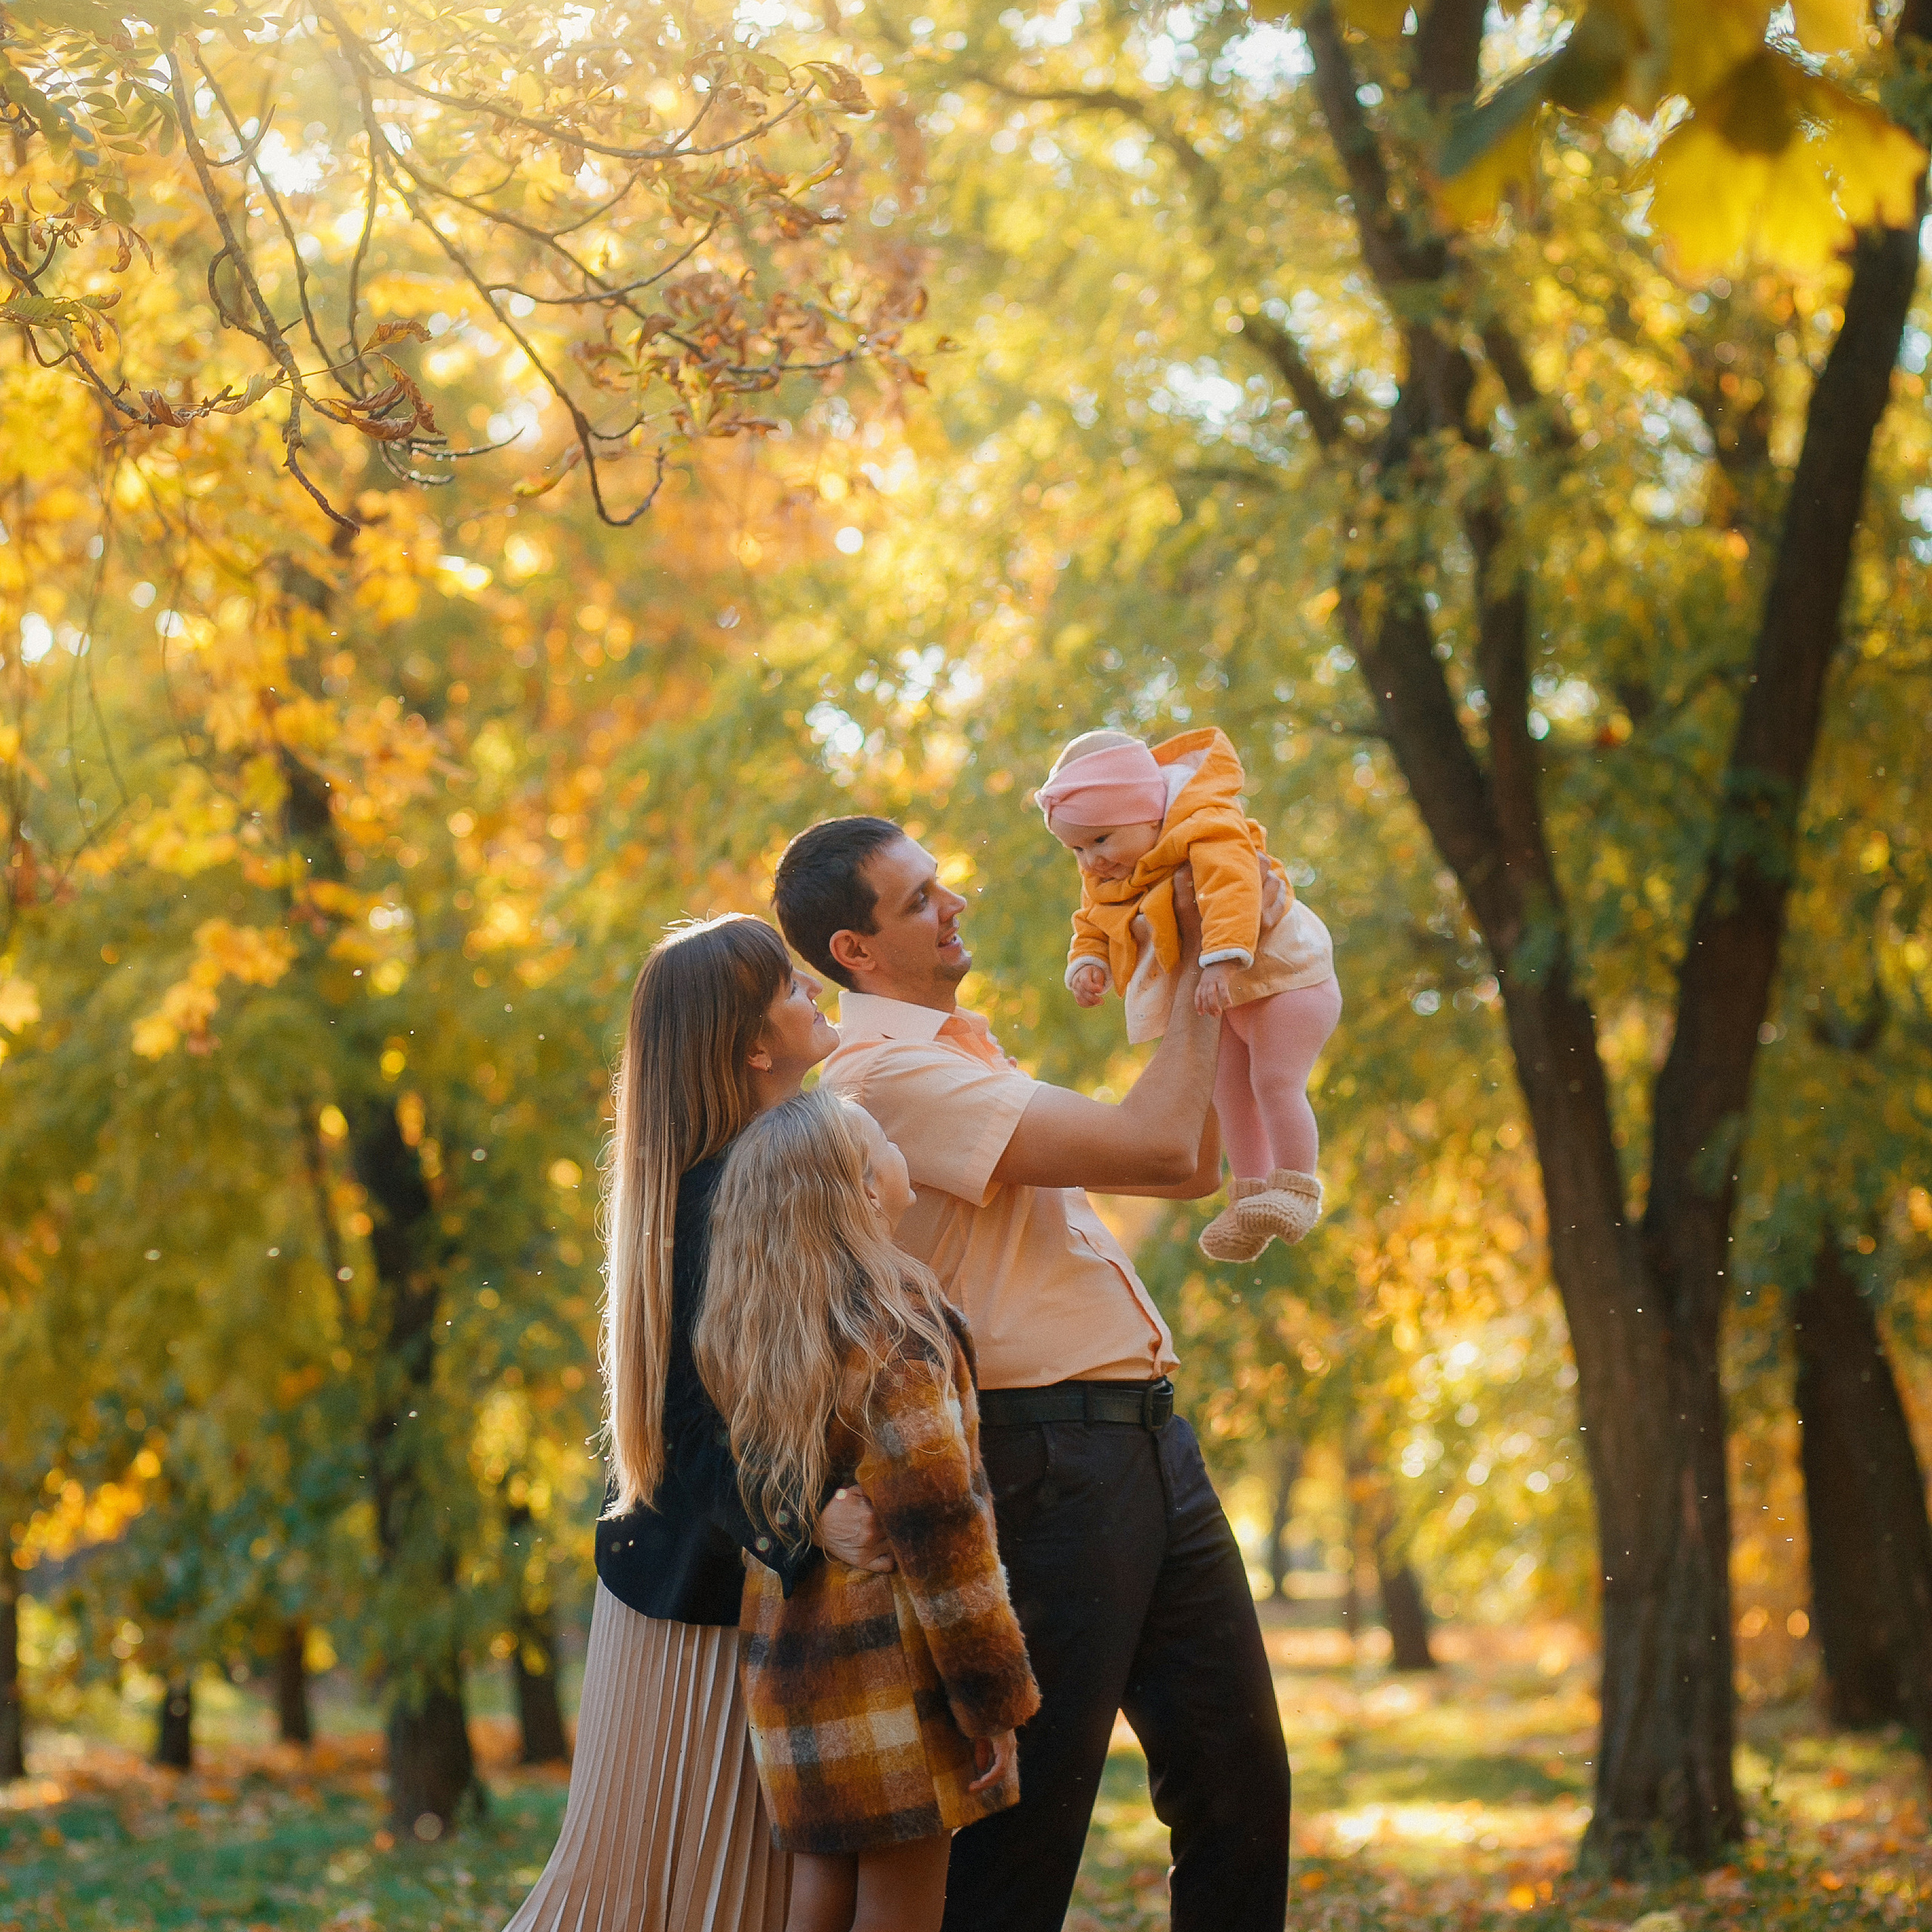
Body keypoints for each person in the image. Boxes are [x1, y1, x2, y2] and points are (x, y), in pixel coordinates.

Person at [773, 819, 1291, 1932]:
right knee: (1024, 1837)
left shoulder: (962, 1047)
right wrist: (1201, 956)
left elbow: (1188, 1159)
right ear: (854, 951)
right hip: (1041, 1457)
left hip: (1147, 1442)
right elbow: (1156, 1148)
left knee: (1239, 1787)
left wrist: (1214, 961)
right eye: (918, 900)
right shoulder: (885, 1072)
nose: (953, 902)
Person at [502, 914, 889, 1932]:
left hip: (719, 1582)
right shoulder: (720, 1190)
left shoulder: (761, 1163)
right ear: (755, 1046)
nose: (817, 994)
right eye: (795, 990)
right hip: (700, 1601)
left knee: (723, 1897)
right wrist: (808, 1518)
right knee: (663, 1899)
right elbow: (688, 1415)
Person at [695, 1089, 1040, 1932]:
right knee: (901, 1904)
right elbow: (942, 1533)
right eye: (882, 1138)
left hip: (792, 1673)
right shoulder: (898, 1336)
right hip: (895, 1671)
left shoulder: (756, 1338)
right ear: (860, 1185)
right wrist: (993, 1699)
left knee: (819, 1895)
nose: (899, 1148)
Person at [1038, 725, 1340, 1262]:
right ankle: (1249, 1198)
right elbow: (1094, 916)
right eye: (1076, 849)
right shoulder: (1115, 866)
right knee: (1227, 1094)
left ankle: (1295, 1187)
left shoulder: (1205, 827)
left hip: (1285, 979)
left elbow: (1231, 890)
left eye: (1100, 840)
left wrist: (1220, 959)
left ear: (1147, 813)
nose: (1090, 862)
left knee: (1274, 1081)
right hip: (1225, 997)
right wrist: (1088, 960)